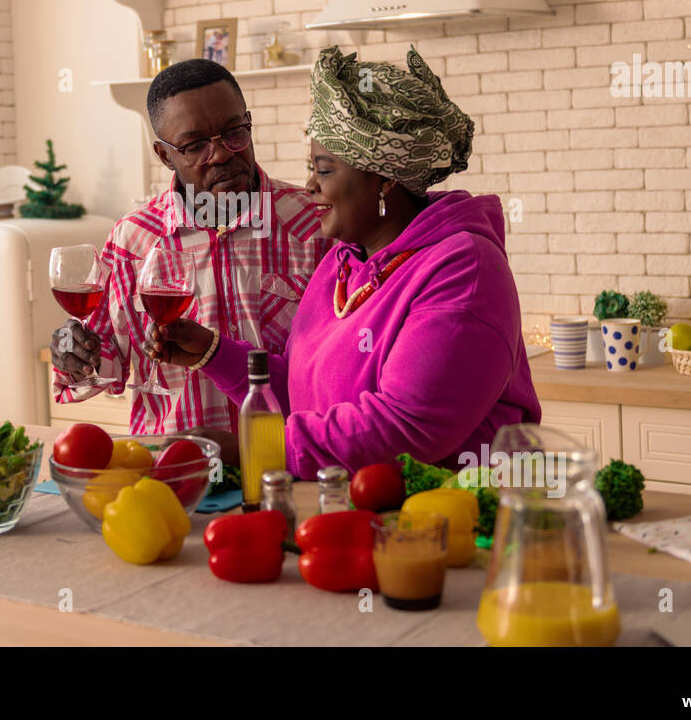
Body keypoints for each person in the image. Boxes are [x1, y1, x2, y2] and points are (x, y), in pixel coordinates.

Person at [145, 45, 541, 477]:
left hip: (459, 522)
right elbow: (307, 395)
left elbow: (405, 428)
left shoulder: (462, 268)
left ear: (385, 177)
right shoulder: (343, 263)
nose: (310, 186)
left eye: (325, 170)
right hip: (361, 513)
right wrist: (213, 353)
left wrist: (251, 447)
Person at [50, 59, 329, 443]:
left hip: (292, 457)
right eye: (195, 145)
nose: (220, 154)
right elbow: (106, 365)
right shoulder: (134, 239)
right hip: (180, 466)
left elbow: (341, 364)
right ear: (165, 155)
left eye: (234, 133)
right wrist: (74, 354)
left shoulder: (314, 222)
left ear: (249, 124)